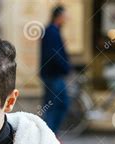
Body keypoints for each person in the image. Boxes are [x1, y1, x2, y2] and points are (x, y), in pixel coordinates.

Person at [40, 5, 71, 134]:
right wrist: (65, 67)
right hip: (53, 75)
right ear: (59, 17)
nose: (67, 19)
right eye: (65, 16)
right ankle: (50, 136)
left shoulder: (53, 31)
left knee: (55, 105)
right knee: (57, 106)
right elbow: (53, 55)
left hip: (53, 75)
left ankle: (50, 136)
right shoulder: (51, 32)